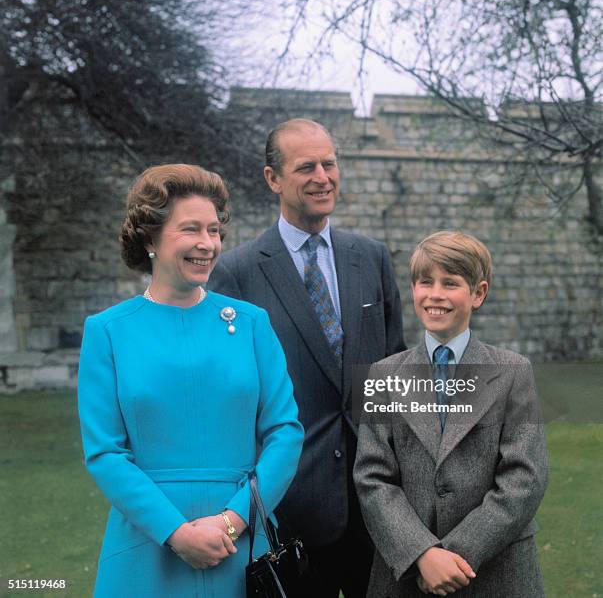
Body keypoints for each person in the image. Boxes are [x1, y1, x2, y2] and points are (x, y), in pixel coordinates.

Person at [77, 164, 304, 597]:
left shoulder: (253, 324)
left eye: (214, 230)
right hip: (147, 545)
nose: (207, 244)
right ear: (150, 238)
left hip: (242, 545)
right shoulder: (107, 331)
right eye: (191, 230)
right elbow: (105, 451)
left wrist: (231, 521)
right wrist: (175, 532)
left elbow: (285, 433)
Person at [208, 118, 406, 597]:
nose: (322, 176)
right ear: (273, 179)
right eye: (306, 167)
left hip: (379, 507)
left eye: (329, 163)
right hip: (287, 518)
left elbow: (394, 366)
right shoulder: (237, 273)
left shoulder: (372, 257)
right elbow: (228, 400)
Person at [354, 230, 549, 597]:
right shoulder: (381, 375)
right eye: (425, 282)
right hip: (408, 575)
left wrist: (455, 556)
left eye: (451, 283)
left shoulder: (514, 372)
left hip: (495, 571)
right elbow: (371, 477)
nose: (436, 294)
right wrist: (422, 555)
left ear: (478, 293)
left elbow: (526, 477)